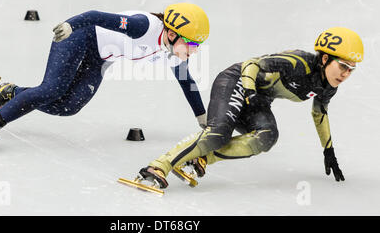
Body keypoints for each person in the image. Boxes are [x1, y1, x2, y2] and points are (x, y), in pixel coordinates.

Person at [135, 27, 364, 189]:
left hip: (258, 99)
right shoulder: (298, 62)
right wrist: (250, 91)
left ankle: (202, 159)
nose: (346, 73)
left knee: (267, 137)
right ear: (325, 59)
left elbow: (319, 114)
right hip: (236, 81)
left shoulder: (328, 87)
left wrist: (328, 150)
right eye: (343, 66)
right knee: (217, 133)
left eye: (351, 69)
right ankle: (158, 166)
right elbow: (251, 64)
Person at [0, 3, 210, 148]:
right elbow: (97, 16)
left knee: (69, 107)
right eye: (191, 45)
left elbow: (186, 81)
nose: (193, 51)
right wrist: (71, 25)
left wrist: (203, 119)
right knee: (51, 90)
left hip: (100, 57)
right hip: (80, 35)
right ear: (172, 33)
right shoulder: (143, 26)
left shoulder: (171, 51)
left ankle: (12, 92)